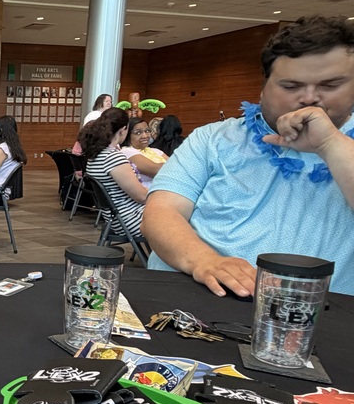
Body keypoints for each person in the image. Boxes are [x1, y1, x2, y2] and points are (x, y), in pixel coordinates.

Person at [143, 15, 354, 297]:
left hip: (321, 314)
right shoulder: (213, 139)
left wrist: (329, 144)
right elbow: (161, 211)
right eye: (291, 86)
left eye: (330, 85)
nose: (309, 98)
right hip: (202, 298)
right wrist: (204, 260)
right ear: (263, 88)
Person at [80, 108, 147, 238]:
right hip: (133, 219)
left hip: (116, 219)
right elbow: (141, 197)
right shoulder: (113, 158)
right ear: (123, 130)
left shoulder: (95, 155)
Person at [120, 117, 168, 188]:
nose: (145, 136)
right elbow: (157, 170)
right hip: (149, 193)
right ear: (127, 135)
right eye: (138, 133)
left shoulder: (156, 150)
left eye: (147, 131)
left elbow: (178, 167)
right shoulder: (126, 151)